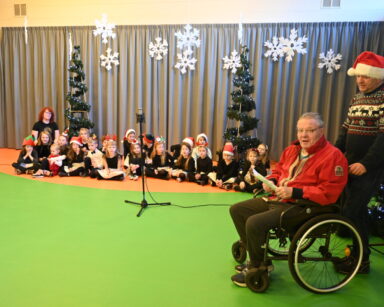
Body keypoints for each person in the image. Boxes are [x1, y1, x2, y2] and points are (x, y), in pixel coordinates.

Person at [229, 112, 348, 288]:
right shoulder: (292, 150)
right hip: (279, 198)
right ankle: (260, 258)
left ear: (321, 131)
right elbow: (279, 171)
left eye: (309, 130)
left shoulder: (333, 156)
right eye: (300, 130)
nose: (303, 135)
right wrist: (272, 182)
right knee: (237, 210)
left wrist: (295, 192)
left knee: (255, 223)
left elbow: (328, 193)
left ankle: (257, 267)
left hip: (305, 207)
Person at [334, 51, 384, 274]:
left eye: (365, 76)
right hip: (350, 164)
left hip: (371, 168)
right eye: (358, 76)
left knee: (353, 211)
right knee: (357, 212)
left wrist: (366, 164)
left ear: (378, 76)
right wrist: (334, 154)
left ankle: (361, 260)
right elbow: (345, 130)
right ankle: (358, 257)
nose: (360, 80)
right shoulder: (356, 98)